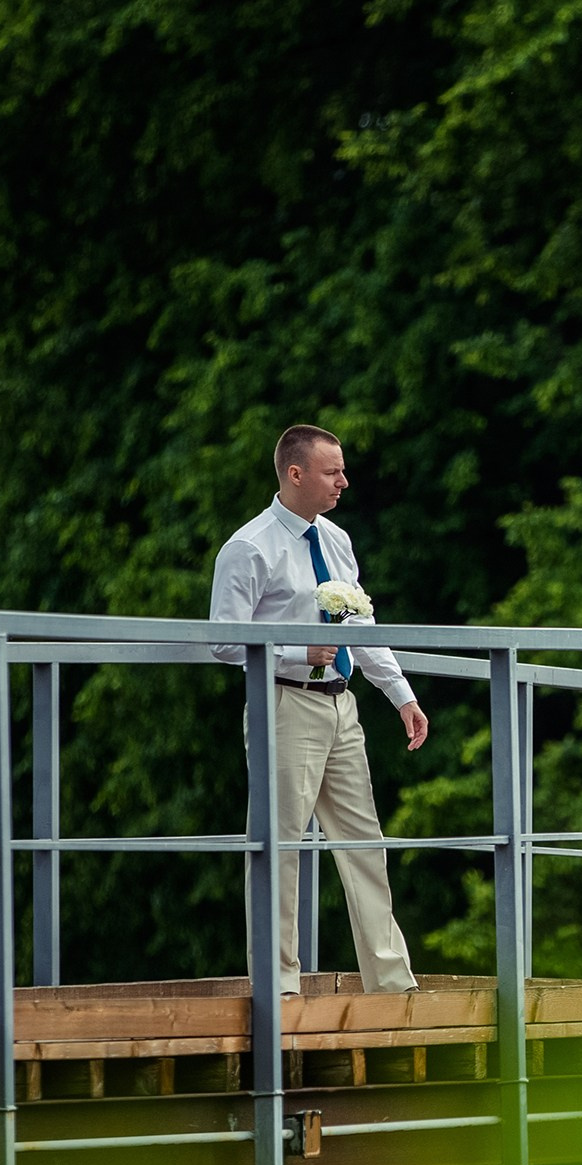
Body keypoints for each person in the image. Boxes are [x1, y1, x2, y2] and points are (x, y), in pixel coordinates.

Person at [210, 423, 430, 993]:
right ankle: (279, 985)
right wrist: (293, 649)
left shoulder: (335, 540)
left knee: (365, 844)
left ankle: (390, 981)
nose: (344, 481)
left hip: (341, 705)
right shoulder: (249, 546)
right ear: (295, 473)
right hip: (284, 703)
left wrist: (400, 694)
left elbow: (363, 627)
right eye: (333, 472)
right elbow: (224, 640)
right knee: (279, 847)